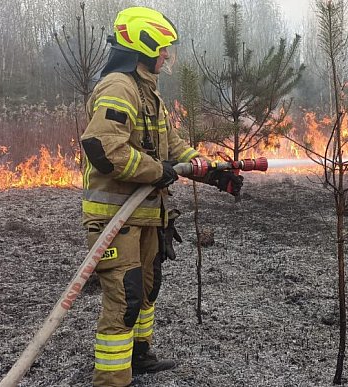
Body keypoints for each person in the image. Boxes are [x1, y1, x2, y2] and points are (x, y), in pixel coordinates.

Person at [80, 6, 241, 387]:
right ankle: (112, 380)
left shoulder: (148, 93)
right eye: (163, 48)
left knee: (148, 286)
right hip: (115, 217)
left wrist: (211, 172)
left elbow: (173, 148)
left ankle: (139, 356)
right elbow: (102, 148)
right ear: (143, 45)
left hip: (147, 214)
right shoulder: (119, 87)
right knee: (125, 297)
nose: (166, 55)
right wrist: (157, 171)